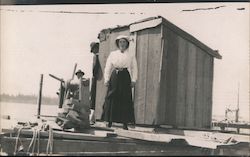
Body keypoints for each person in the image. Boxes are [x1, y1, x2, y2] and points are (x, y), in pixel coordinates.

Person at [101, 35, 138, 130]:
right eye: (120, 42)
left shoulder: (131, 55)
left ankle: (125, 123)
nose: (122, 44)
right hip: (115, 76)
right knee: (111, 97)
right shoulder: (113, 54)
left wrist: (134, 80)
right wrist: (107, 79)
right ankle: (109, 121)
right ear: (118, 43)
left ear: (127, 44)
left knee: (125, 99)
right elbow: (108, 67)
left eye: (124, 42)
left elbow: (134, 68)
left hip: (125, 76)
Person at [89, 42, 100, 125]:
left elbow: (94, 69)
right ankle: (93, 118)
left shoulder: (96, 56)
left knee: (93, 98)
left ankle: (93, 118)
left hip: (96, 79)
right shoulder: (98, 56)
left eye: (93, 49)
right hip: (98, 79)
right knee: (94, 98)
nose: (93, 52)